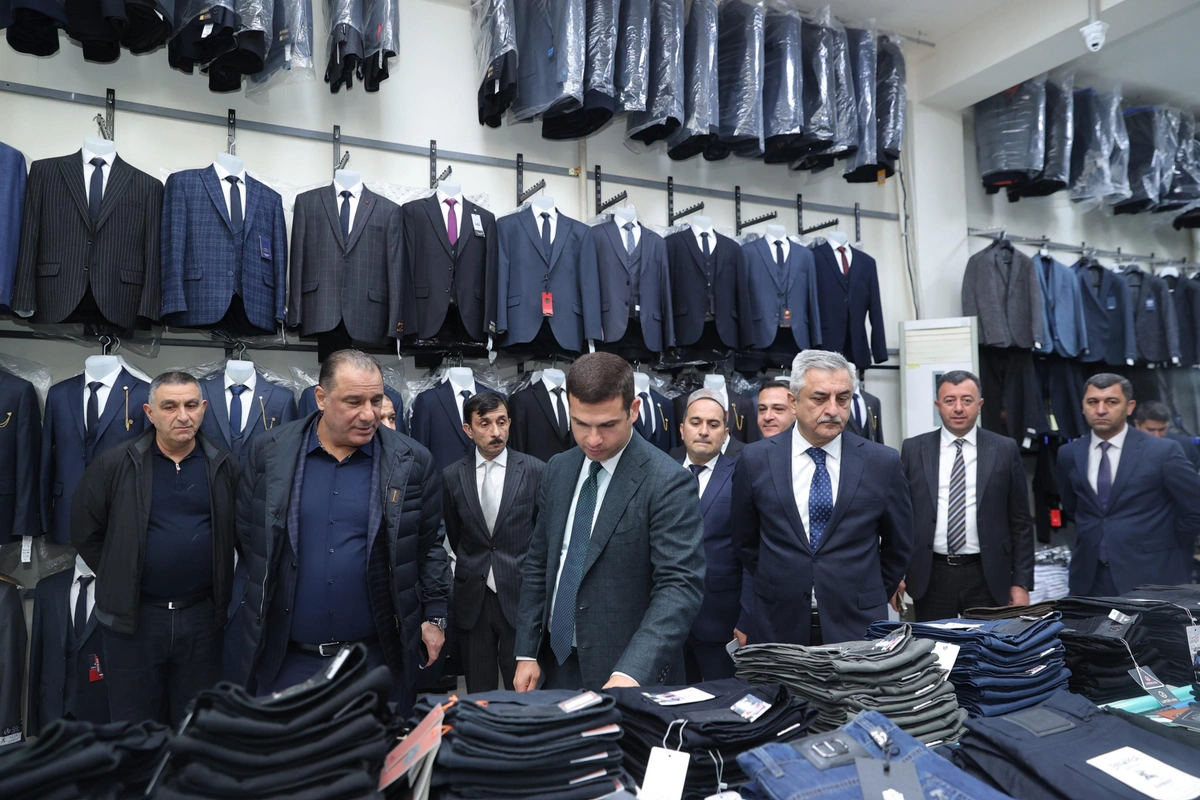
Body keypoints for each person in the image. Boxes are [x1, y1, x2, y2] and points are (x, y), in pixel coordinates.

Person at [234, 350, 450, 714]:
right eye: (353, 401)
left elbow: (427, 545)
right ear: (321, 397)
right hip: (286, 663)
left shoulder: (412, 461)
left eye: (376, 400)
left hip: (376, 662)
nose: (369, 414)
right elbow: (251, 536)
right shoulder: (270, 453)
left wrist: (435, 616)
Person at [513, 353, 705, 691]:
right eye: (580, 424)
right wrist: (526, 651)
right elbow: (540, 562)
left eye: (607, 425)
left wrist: (632, 671)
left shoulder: (668, 482)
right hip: (552, 664)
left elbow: (679, 587)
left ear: (634, 410)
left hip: (624, 670)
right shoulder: (558, 469)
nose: (593, 439)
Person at [72, 371, 240, 724]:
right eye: (170, 406)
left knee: (196, 725)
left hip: (202, 620)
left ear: (204, 408)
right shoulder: (116, 463)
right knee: (135, 727)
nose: (183, 416)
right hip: (134, 621)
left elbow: (243, 533)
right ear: (149, 413)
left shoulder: (223, 466)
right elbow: (85, 531)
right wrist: (123, 574)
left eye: (191, 405)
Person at [732, 350, 912, 646]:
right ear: (793, 401)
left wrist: (866, 592)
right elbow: (745, 540)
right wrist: (783, 579)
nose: (833, 410)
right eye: (819, 398)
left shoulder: (882, 462)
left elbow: (899, 545)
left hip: (858, 625)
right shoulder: (755, 460)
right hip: (779, 622)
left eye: (843, 399)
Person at [899, 370, 1035, 620]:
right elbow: (899, 518)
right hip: (931, 574)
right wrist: (896, 573)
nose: (958, 408)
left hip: (988, 574)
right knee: (934, 643)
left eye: (967, 400)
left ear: (980, 405)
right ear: (938, 406)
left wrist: (1021, 582)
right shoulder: (914, 449)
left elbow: (1021, 522)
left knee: (989, 643)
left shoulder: (1004, 449)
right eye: (950, 400)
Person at [1055, 373, 1200, 596]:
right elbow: (1074, 507)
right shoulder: (1069, 453)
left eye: (1111, 402)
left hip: (1151, 574)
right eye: (1093, 402)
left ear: (1129, 407)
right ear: (1083, 406)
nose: (1101, 410)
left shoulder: (1162, 451)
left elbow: (1194, 508)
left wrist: (1163, 543)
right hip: (1089, 577)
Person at [443, 393, 545, 692]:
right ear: (468, 429)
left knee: (524, 693)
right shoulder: (452, 476)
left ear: (510, 422)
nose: (496, 432)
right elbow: (455, 534)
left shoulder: (535, 470)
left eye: (501, 422)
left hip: (520, 594)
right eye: (485, 424)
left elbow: (542, 534)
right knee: (479, 693)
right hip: (473, 596)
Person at [677, 389, 741, 681]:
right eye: (696, 422)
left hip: (721, 620)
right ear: (682, 429)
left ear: (725, 434)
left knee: (723, 698)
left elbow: (751, 551)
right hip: (667, 621)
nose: (703, 431)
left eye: (713, 425)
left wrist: (747, 617)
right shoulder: (661, 473)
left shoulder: (741, 475)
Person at [1133, 401, 1200, 470]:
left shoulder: (1185, 445)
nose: (1157, 435)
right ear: (1137, 424)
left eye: (1162, 429)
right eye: (1151, 430)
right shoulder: (1128, 448)